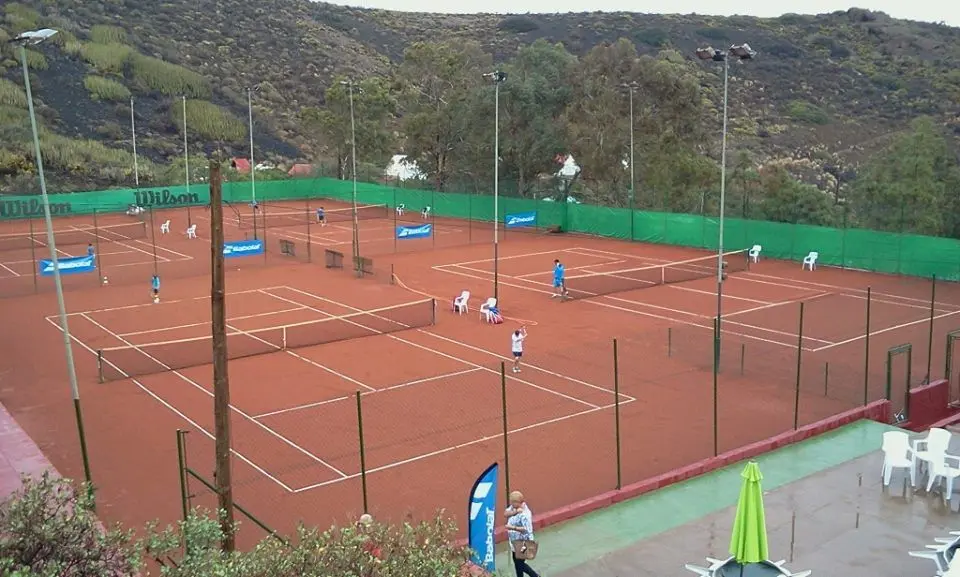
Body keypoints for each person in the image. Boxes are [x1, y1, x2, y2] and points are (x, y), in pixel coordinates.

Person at [505, 491, 539, 577]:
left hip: (524, 543)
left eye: (512, 502)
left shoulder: (525, 514)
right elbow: (506, 514)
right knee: (517, 562)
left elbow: (527, 529)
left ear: (517, 502)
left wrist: (512, 528)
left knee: (519, 563)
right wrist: (515, 512)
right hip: (515, 542)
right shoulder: (513, 508)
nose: (511, 503)